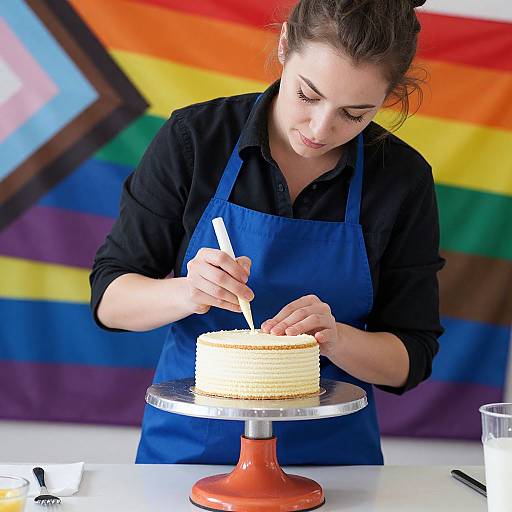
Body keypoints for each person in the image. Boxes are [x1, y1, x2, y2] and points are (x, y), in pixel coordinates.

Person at [90, 0, 444, 465]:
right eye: (307, 96)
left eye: (354, 114)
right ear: (283, 47)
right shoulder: (196, 138)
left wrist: (338, 338)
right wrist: (188, 292)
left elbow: (410, 359)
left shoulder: (401, 178)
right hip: (191, 453)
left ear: (388, 98)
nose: (319, 129)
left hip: (333, 465)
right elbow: (110, 300)